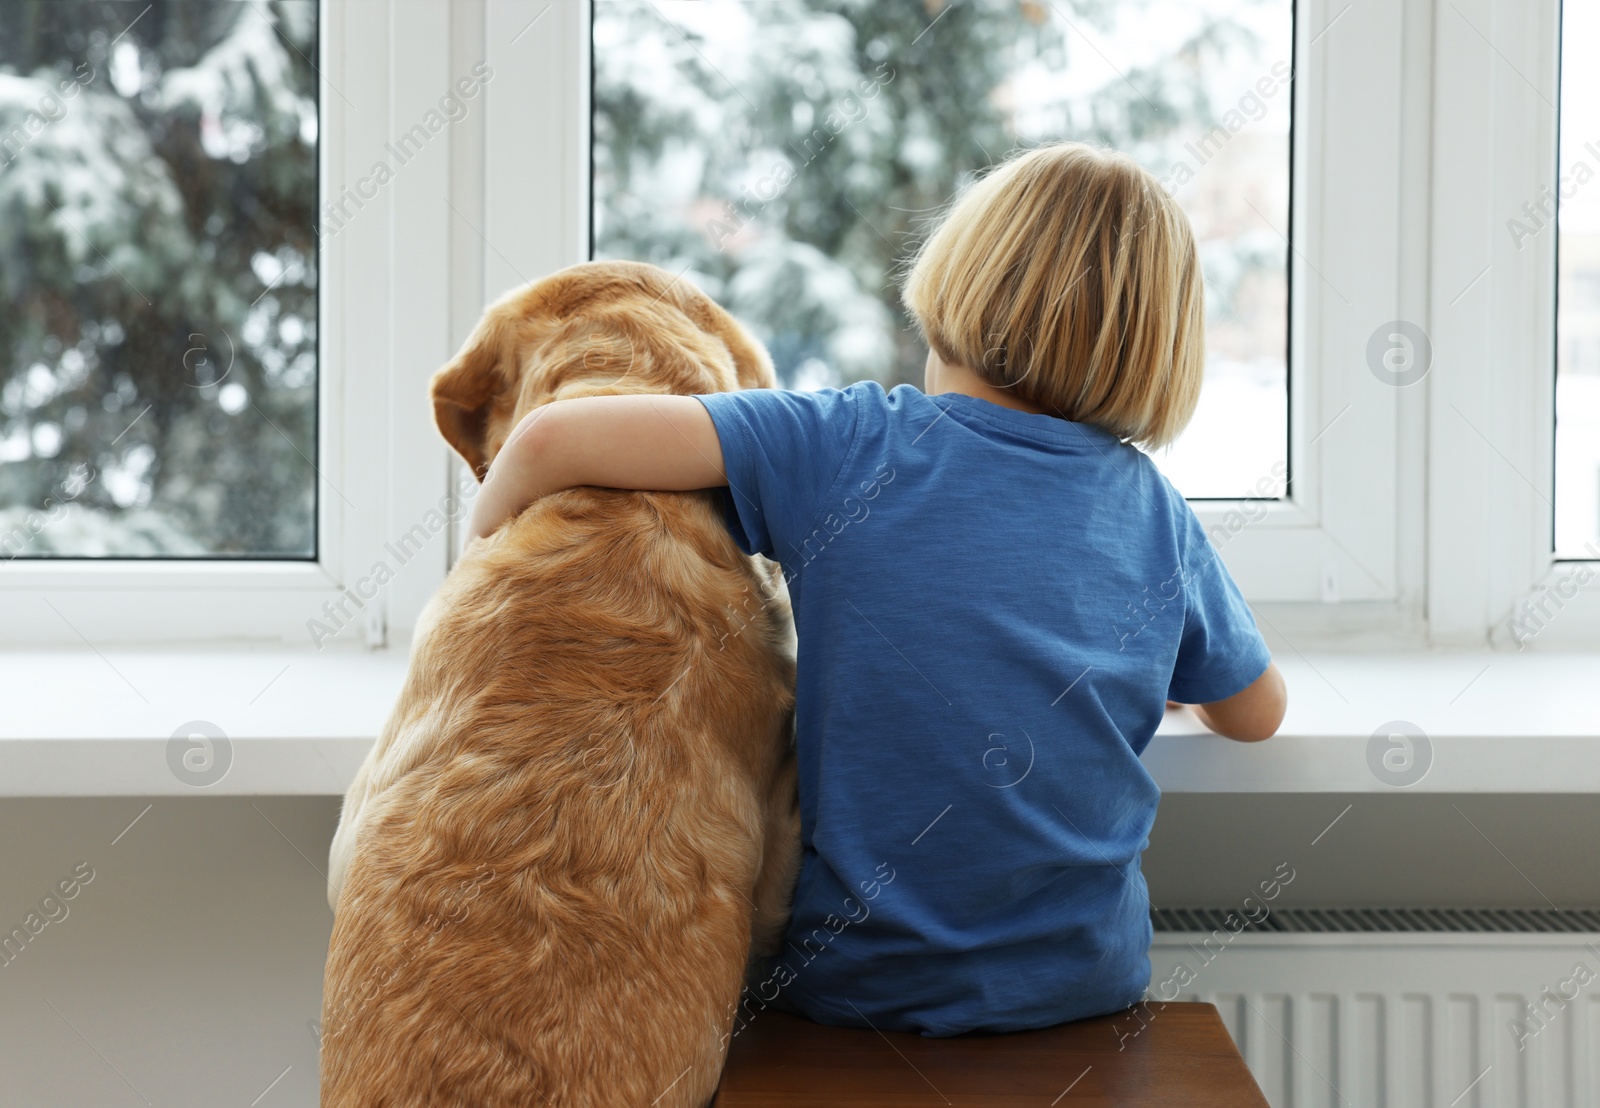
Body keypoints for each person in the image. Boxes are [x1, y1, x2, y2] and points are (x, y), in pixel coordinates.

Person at [467, 141, 1287, 1036]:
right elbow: (1257, 712)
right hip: (1084, 995)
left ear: (959, 281)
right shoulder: (1155, 513)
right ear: (1154, 348)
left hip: (860, 999)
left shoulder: (850, 443)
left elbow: (550, 442)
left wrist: (477, 567)